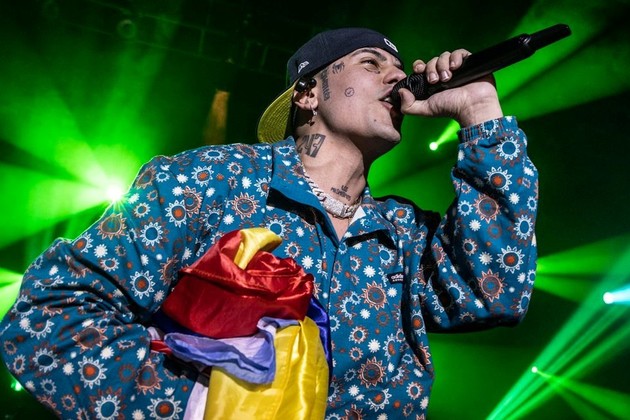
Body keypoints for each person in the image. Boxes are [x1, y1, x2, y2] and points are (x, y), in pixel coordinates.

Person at [0, 27, 538, 418]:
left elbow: (496, 293)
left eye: (398, 69)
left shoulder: (403, 233)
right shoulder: (213, 181)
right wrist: (196, 405)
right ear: (308, 93)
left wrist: (480, 112)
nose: (398, 77)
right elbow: (50, 315)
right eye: (371, 63)